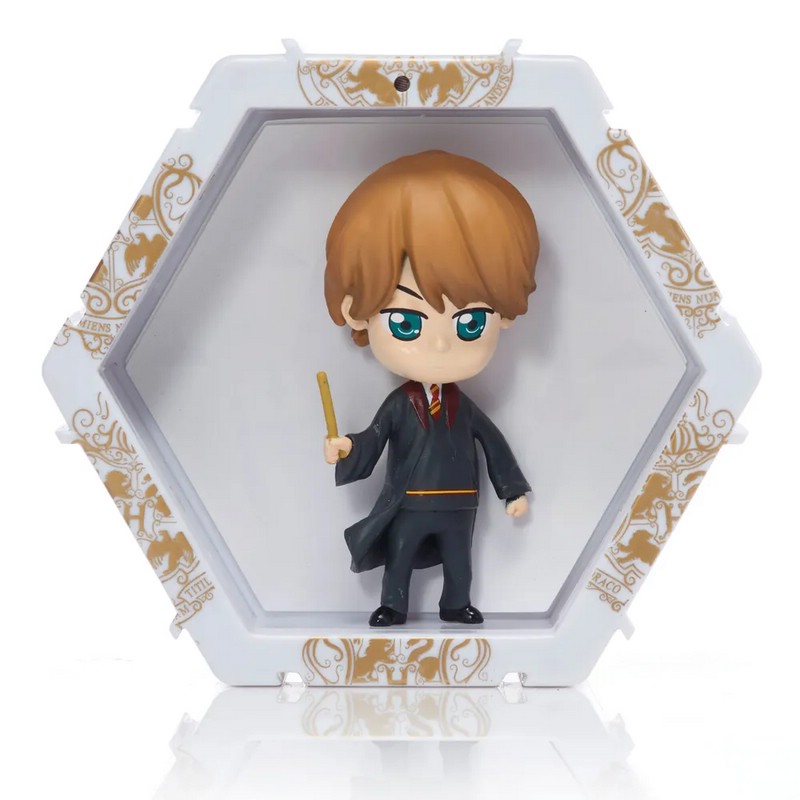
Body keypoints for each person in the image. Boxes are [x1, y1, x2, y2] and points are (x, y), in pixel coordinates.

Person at [323, 150, 539, 627]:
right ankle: (393, 603)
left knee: (460, 559)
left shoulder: (464, 407)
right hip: (410, 500)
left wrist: (511, 490)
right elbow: (375, 438)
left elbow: (493, 444)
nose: (440, 345)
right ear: (357, 311)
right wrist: (347, 448)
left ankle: (455, 603)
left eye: (470, 322)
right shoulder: (400, 405)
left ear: (503, 314)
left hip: (460, 502)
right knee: (400, 553)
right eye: (407, 322)